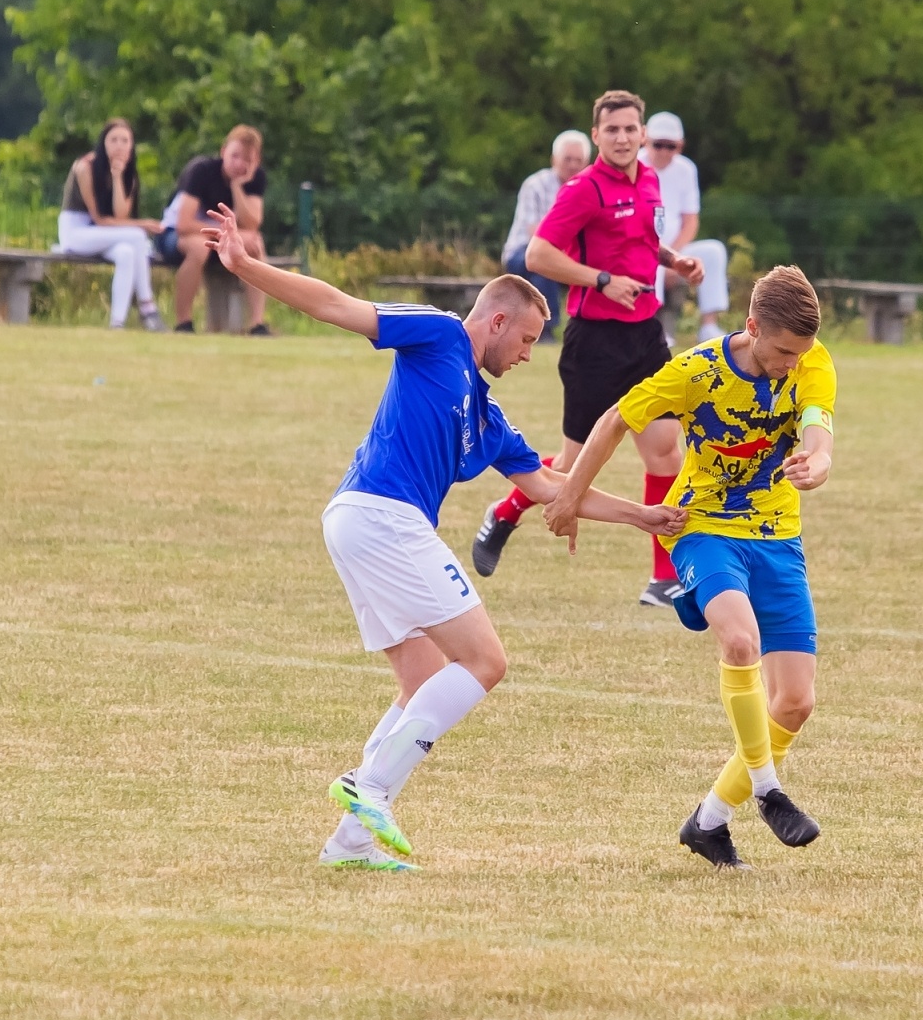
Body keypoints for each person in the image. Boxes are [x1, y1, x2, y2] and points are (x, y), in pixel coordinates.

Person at [200, 202, 686, 871]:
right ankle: (368, 787)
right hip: (379, 514)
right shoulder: (437, 336)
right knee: (485, 661)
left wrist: (644, 516)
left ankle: (350, 840)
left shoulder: (487, 414)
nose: (525, 356)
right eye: (523, 342)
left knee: (424, 674)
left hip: (368, 524)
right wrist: (248, 264)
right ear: (495, 321)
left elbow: (551, 486)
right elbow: (337, 305)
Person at [544, 266, 836, 869]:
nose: (791, 364)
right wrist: (571, 493)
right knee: (739, 639)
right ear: (752, 327)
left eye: (799, 354)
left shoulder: (810, 360)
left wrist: (819, 461)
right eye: (782, 352)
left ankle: (708, 823)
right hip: (700, 526)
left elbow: (817, 426)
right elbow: (614, 420)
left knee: (796, 703)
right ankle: (768, 790)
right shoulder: (696, 371)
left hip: (777, 534)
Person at [473, 90, 705, 609]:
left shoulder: (650, 180)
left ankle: (662, 579)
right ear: (597, 135)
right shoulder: (583, 190)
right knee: (575, 462)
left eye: (631, 129)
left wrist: (674, 262)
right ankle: (506, 512)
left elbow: (642, 241)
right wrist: (601, 280)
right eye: (612, 130)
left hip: (646, 334)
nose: (623, 137)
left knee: (666, 450)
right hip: (594, 340)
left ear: (642, 134)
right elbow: (537, 253)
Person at [157, 125, 271, 335]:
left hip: (216, 238)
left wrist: (238, 187)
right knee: (200, 247)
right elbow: (184, 224)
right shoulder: (201, 170)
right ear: (223, 151)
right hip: (173, 235)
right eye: (235, 156)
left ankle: (257, 324)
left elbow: (252, 224)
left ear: (256, 161)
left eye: (247, 159)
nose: (239, 164)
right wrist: (223, 230)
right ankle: (184, 323)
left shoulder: (255, 179)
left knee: (255, 243)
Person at [56, 118, 167, 331]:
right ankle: (147, 306)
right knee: (137, 236)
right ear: (103, 143)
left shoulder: (129, 174)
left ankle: (117, 323)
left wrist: (117, 177)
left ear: (132, 145)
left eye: (125, 141)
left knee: (126, 252)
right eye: (113, 140)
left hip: (103, 233)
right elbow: (99, 219)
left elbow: (120, 216)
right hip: (77, 232)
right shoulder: (85, 167)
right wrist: (142, 224)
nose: (119, 146)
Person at [644, 112, 730, 344]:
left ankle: (709, 325)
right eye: (658, 144)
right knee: (650, 261)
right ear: (645, 140)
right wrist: (666, 258)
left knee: (714, 251)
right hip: (643, 244)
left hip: (676, 245)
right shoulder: (635, 165)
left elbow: (690, 220)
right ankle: (653, 327)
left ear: (680, 146)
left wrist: (673, 256)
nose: (663, 151)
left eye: (669, 146)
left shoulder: (686, 169)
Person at [503, 130, 592, 342]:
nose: (572, 165)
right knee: (545, 266)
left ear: (587, 162)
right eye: (567, 159)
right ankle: (546, 331)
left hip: (567, 254)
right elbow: (534, 232)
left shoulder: (589, 190)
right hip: (523, 251)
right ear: (554, 159)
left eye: (578, 160)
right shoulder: (535, 185)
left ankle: (587, 331)